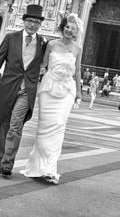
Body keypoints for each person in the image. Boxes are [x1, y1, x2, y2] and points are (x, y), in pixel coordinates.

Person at [0, 4, 48, 178]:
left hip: (27, 90)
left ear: (40, 25)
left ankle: (7, 164)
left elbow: (48, 64)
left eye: (36, 22)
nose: (33, 25)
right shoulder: (11, 38)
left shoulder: (43, 43)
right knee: (3, 124)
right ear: (24, 21)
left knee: (15, 125)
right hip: (8, 87)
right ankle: (1, 161)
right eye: (30, 21)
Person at [21, 12, 83, 185]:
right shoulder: (51, 44)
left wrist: (79, 91)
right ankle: (38, 167)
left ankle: (49, 169)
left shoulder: (78, 48)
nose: (69, 30)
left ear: (76, 32)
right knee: (43, 128)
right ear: (62, 28)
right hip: (48, 88)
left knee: (58, 125)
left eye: (73, 28)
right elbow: (42, 66)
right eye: (67, 27)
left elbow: (77, 71)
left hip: (67, 91)